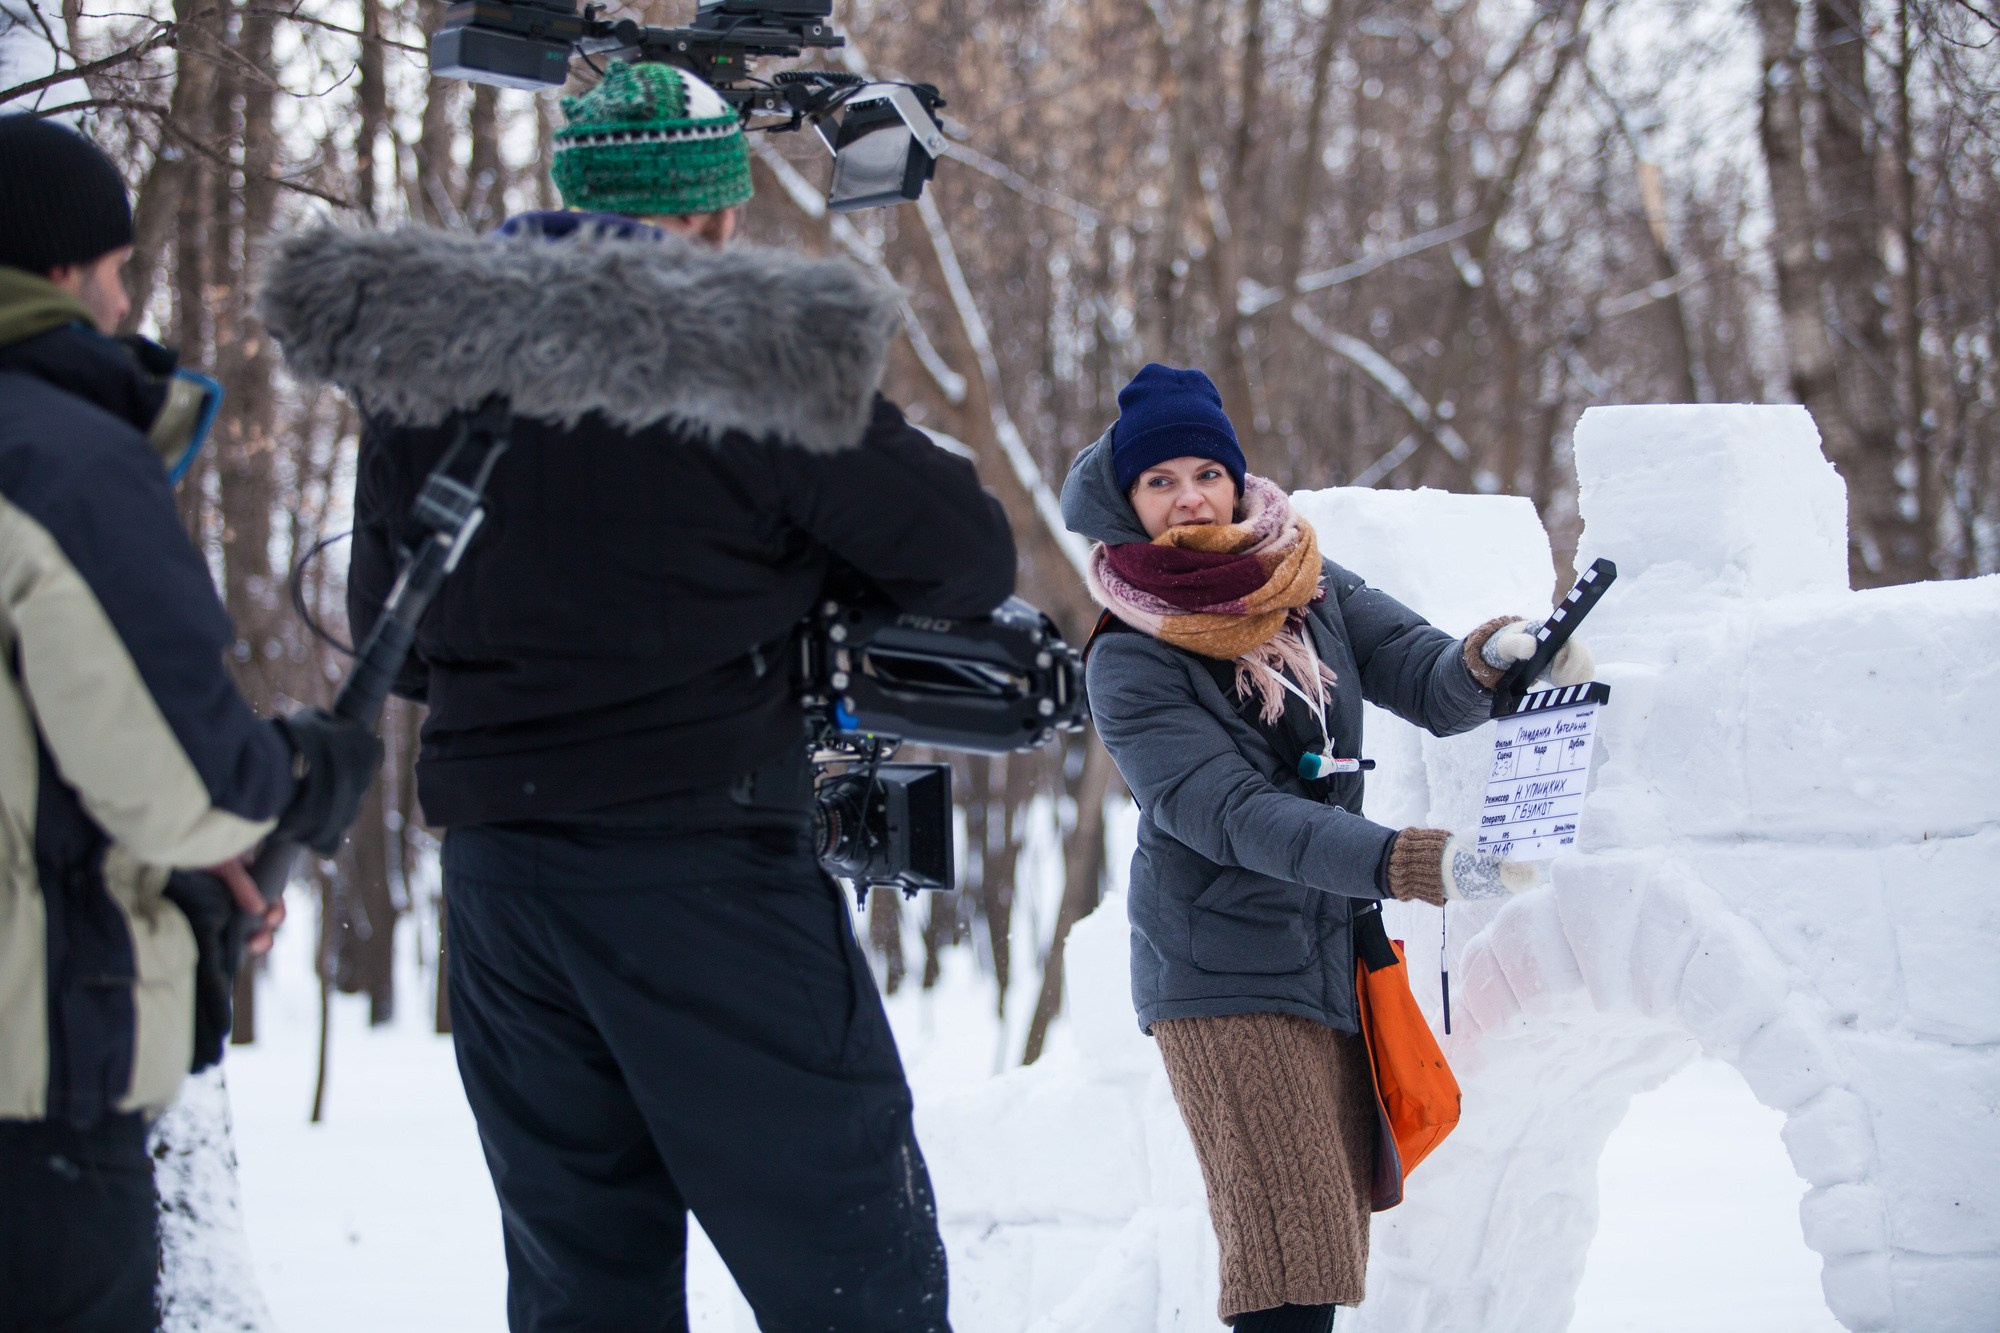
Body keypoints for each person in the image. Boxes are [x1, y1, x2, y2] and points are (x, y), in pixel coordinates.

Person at [256, 61, 1016, 1333]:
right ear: (711, 212)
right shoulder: (749, 352)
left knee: (580, 1283)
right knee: (849, 1261)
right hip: (700, 866)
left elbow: (409, 638)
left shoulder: (422, 365)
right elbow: (963, 554)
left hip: (502, 888)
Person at [1060, 364, 1589, 1332]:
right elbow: (1225, 811)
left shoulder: (1304, 578)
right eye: (1158, 481)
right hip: (1219, 975)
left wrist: (1497, 653)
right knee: (1287, 1267)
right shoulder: (1129, 652)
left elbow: (1427, 677)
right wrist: (1409, 861)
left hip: (1323, 957)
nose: (1188, 497)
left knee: (1318, 1256)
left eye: (1202, 472)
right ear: (1127, 503)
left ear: (1233, 477)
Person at [0, 116, 381, 1331]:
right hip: (32, 1098)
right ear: (59, 269)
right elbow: (184, 780)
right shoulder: (57, 457)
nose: (124, 308)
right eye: (116, 272)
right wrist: (291, 776)